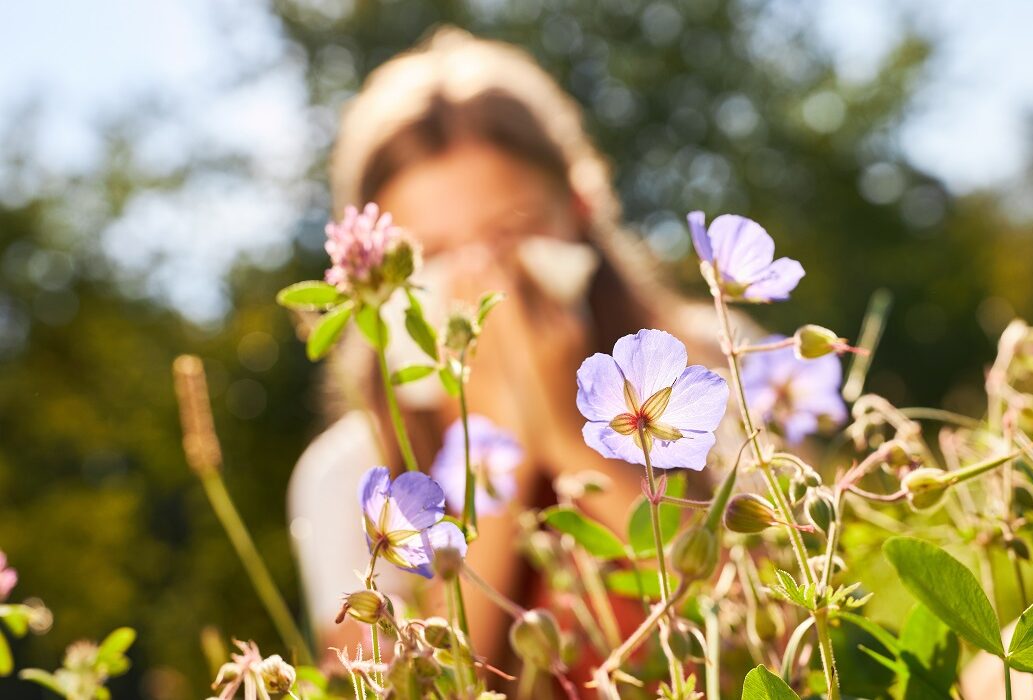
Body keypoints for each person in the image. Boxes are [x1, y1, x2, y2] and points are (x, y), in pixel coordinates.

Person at [287, 26, 731, 671]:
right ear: (374, 277)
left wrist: (562, 425)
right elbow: (403, 685)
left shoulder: (716, 364)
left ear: (579, 207)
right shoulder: (345, 473)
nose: (479, 282)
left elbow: (758, 618)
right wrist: (492, 452)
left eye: (509, 232)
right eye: (430, 255)